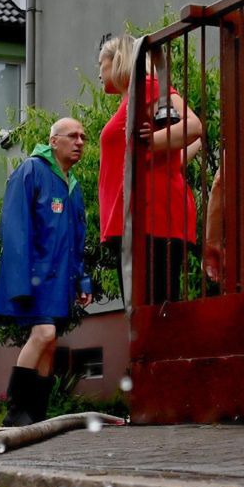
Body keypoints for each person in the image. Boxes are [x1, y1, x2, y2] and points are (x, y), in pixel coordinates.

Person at [0, 118, 92, 427]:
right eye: (72, 136)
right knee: (43, 334)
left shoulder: (72, 186)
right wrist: (19, 281)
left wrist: (82, 280)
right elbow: (14, 227)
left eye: (83, 137)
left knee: (50, 342)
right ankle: (15, 412)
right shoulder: (32, 171)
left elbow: (78, 240)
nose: (79, 142)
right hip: (33, 278)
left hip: (58, 281)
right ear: (53, 141)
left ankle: (36, 414)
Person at [96, 33, 202, 305]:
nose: (98, 72)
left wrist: (151, 142)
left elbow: (193, 127)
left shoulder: (149, 87)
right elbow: (189, 146)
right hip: (138, 218)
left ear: (117, 60)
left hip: (149, 219)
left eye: (101, 63)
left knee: (148, 310)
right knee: (146, 309)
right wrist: (156, 150)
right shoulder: (132, 98)